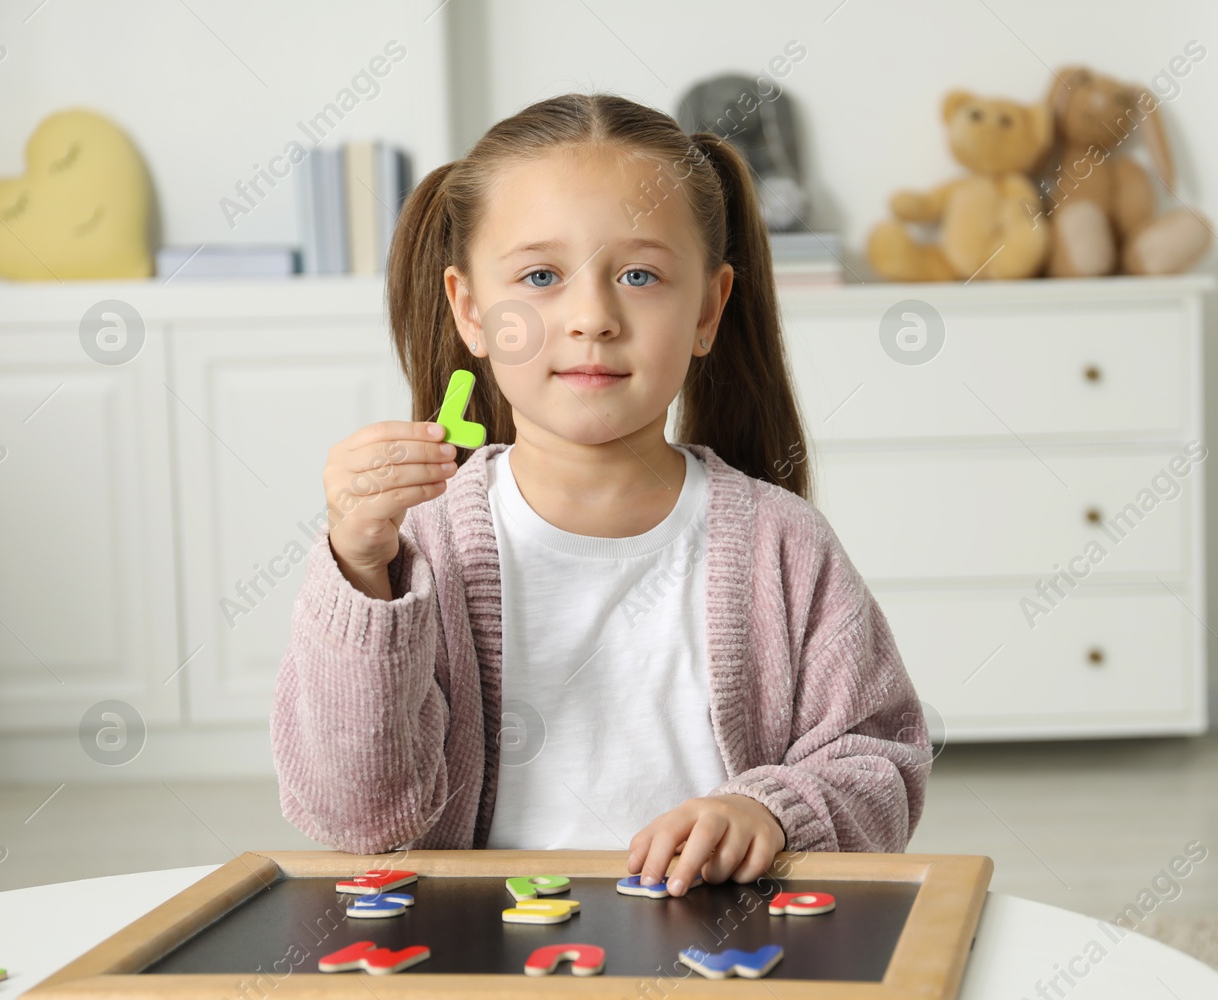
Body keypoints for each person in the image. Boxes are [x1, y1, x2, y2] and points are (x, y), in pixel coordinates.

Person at [271, 92, 930, 898]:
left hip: (721, 955)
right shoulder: (417, 549)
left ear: (708, 309)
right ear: (471, 310)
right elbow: (359, 821)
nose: (592, 316)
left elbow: (883, 758)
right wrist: (361, 575)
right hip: (479, 966)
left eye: (640, 274)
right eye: (541, 275)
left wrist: (774, 812)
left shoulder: (784, 544)